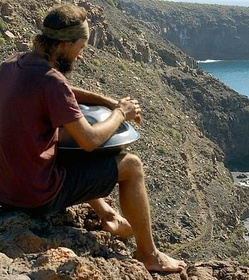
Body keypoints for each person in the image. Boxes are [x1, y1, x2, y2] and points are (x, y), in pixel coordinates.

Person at [0, 3, 186, 273]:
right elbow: (89, 140)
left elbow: (65, 90)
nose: (81, 56)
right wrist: (121, 112)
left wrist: (107, 101)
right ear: (65, 45)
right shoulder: (51, 82)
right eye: (81, 47)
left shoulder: (11, 64)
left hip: (7, 188)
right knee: (130, 165)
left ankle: (108, 214)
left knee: (63, 142)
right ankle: (149, 254)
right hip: (35, 195)